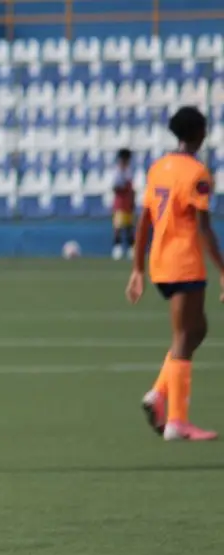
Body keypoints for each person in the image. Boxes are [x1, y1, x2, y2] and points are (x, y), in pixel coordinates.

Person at [127, 106, 224, 441]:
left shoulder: (159, 168)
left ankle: (159, 394)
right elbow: (204, 229)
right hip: (184, 262)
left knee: (197, 330)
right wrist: (223, 270)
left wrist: (137, 268)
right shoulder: (197, 174)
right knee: (184, 335)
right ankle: (177, 421)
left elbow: (143, 220)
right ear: (199, 133)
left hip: (159, 263)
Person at [112, 148, 136, 261]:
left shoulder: (128, 171)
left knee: (129, 226)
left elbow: (131, 188)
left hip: (128, 202)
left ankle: (131, 247)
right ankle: (117, 247)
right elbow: (116, 187)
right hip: (120, 203)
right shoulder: (117, 172)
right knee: (118, 226)